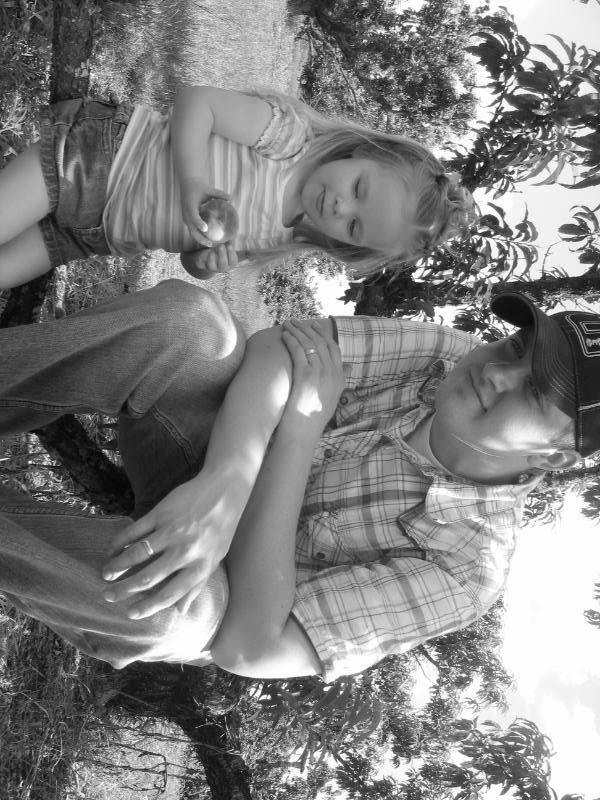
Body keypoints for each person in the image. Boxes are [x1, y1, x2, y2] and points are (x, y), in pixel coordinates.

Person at [0, 280, 594, 680]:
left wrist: (300, 430)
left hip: (210, 579)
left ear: (553, 459)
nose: (498, 372)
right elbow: (279, 347)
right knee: (194, 324)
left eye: (536, 391)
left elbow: (249, 646)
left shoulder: (468, 569)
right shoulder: (448, 352)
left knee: (177, 614)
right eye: (516, 347)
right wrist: (225, 485)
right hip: (209, 458)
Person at [0, 86, 474, 287]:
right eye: (358, 189)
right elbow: (197, 103)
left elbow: (189, 252)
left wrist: (205, 265)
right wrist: (194, 181)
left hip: (94, 237)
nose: (338, 205)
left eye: (353, 225)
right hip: (99, 161)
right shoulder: (288, 141)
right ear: (365, 153)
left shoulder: (280, 235)